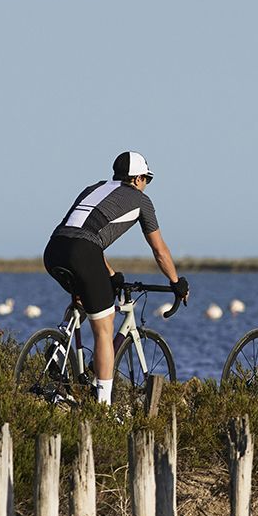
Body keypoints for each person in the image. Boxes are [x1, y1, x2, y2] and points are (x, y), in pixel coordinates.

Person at [44, 151, 189, 404]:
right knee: (104, 327)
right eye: (147, 179)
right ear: (136, 179)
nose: (146, 186)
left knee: (81, 295)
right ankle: (104, 405)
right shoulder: (142, 202)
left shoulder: (94, 188)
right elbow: (159, 250)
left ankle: (59, 349)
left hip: (54, 249)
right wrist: (176, 282)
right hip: (83, 252)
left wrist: (111, 275)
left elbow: (84, 234)